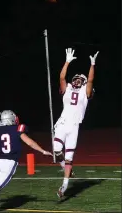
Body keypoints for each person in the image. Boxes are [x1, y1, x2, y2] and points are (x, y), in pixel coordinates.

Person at [53, 48, 99, 199]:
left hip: (74, 127)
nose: (77, 79)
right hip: (63, 123)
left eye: (80, 78)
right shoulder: (67, 89)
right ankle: (65, 168)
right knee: (57, 149)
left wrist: (92, 64)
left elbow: (91, 80)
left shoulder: (85, 92)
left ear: (84, 82)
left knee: (69, 158)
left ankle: (64, 186)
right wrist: (67, 62)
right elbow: (61, 78)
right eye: (76, 77)